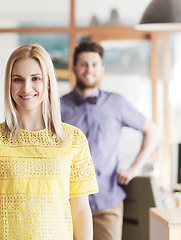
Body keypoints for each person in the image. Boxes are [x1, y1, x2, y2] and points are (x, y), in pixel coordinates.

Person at [0, 44, 99, 239]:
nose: (26, 88)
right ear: (9, 84)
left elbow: (81, 212)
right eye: (18, 79)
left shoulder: (73, 140)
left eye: (35, 79)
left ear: (48, 82)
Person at [60, 41, 158, 240]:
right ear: (74, 68)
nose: (89, 70)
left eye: (94, 65)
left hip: (108, 203)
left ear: (102, 69)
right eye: (84, 64)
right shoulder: (58, 106)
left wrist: (133, 168)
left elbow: (152, 131)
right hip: (67, 203)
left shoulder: (117, 103)